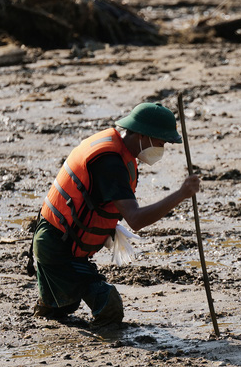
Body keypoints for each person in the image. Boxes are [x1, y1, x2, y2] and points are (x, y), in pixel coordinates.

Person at [31, 102, 200, 329]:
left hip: (60, 241)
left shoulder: (119, 151)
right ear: (142, 135)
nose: (162, 148)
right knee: (108, 306)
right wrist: (181, 194)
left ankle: (52, 305)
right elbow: (136, 219)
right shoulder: (110, 162)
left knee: (61, 308)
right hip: (56, 247)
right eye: (161, 142)